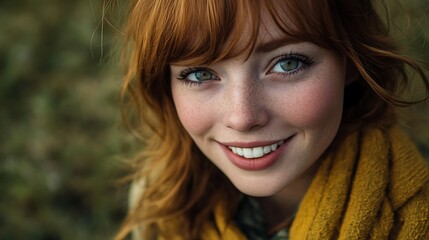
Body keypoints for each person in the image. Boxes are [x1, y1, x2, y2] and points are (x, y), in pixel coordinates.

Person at [113, 0, 429, 239]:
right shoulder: (159, 197)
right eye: (200, 73)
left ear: (350, 62)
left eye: (287, 64)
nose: (242, 117)